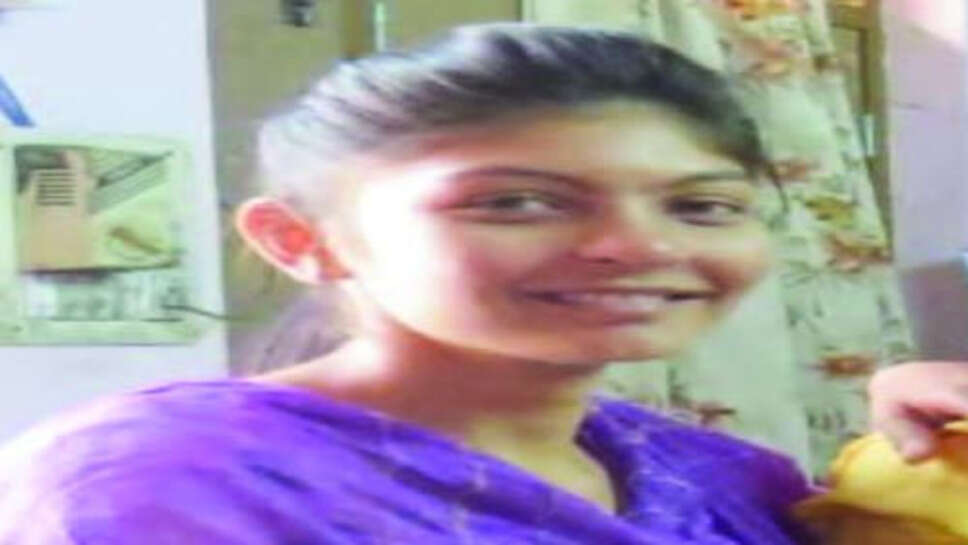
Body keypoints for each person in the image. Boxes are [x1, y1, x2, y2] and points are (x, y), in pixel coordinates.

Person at [2, 23, 968, 544]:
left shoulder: (724, 481)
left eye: (703, 205)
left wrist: (929, 458)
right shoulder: (161, 485)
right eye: (517, 202)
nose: (633, 245)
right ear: (301, 238)